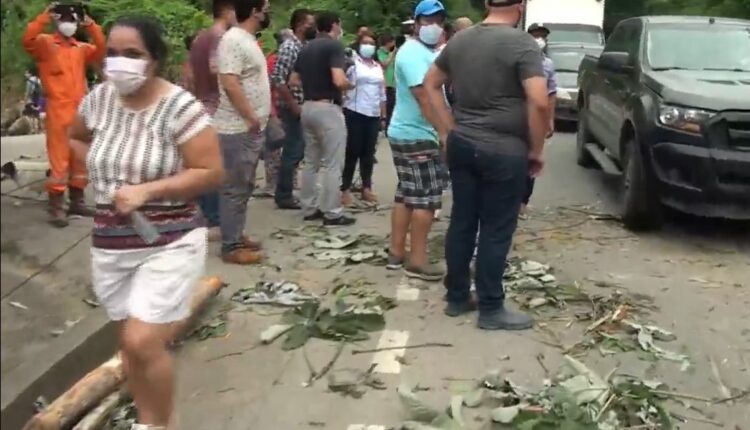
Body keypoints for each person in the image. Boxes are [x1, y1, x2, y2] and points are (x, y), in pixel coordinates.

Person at [67, 16, 223, 429]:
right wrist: (102, 175)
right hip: (111, 242)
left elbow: (209, 171)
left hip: (170, 239)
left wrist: (147, 191)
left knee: (143, 340)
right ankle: (148, 418)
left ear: (154, 60)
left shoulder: (179, 107)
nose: (120, 63)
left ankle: (159, 423)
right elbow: (77, 137)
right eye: (112, 54)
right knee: (129, 346)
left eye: (132, 54)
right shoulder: (98, 100)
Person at [423, 0, 549, 330]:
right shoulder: (522, 43)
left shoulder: (461, 39)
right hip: (503, 149)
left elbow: (430, 83)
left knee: (462, 220)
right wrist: (536, 150)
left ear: (485, 3)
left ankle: (457, 297)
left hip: (463, 143)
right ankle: (492, 308)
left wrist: (448, 127)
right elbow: (538, 99)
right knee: (496, 229)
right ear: (521, 5)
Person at [23, 3, 105, 227]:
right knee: (59, 159)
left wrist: (90, 25)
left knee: (80, 157)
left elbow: (102, 48)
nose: (69, 24)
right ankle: (56, 206)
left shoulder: (81, 48)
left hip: (80, 109)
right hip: (58, 109)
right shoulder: (45, 43)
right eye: (65, 20)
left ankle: (77, 200)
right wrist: (44, 17)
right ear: (57, 21)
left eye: (73, 20)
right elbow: (27, 40)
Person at [386, 0, 448, 282]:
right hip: (418, 134)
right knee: (426, 199)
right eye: (427, 20)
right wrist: (443, 131)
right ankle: (418, 260)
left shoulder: (423, 52)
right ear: (416, 23)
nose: (432, 26)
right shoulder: (412, 52)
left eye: (438, 20)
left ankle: (396, 252)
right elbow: (423, 96)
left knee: (406, 195)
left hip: (407, 132)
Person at [214, 0, 272, 264]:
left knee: (245, 184)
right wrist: (250, 116)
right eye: (266, 7)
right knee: (235, 186)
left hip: (249, 126)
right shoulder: (233, 40)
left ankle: (236, 233)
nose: (268, 12)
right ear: (255, 10)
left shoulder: (246, 39)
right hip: (237, 127)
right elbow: (230, 81)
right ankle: (231, 245)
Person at [290, 11, 356, 226]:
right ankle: (332, 211)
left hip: (307, 106)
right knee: (333, 162)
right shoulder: (334, 46)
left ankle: (308, 207)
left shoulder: (306, 47)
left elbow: (293, 80)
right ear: (335, 25)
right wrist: (350, 84)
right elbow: (338, 79)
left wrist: (313, 83)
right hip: (328, 108)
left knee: (311, 161)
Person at [189, 0, 237, 241]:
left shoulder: (200, 37)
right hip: (216, 107)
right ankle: (213, 219)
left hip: (200, 104)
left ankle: (202, 216)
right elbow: (215, 68)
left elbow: (188, 73)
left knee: (202, 165)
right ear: (227, 11)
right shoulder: (221, 37)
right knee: (216, 167)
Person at [271, 8, 317, 210]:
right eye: (310, 23)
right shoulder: (290, 47)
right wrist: (293, 105)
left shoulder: (304, 46)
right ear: (299, 25)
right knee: (292, 150)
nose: (313, 27)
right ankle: (283, 195)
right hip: (292, 107)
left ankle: (286, 191)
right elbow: (279, 80)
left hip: (301, 105)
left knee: (298, 150)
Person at [341, 32, 387, 206]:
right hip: (355, 110)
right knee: (352, 151)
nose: (369, 46)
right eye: (365, 43)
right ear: (359, 45)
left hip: (373, 113)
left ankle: (366, 187)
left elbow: (382, 93)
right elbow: (344, 84)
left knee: (368, 153)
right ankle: (344, 188)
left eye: (372, 43)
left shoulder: (377, 67)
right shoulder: (353, 64)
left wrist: (383, 115)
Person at [522, 23, 557, 216]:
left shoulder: (548, 65)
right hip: (518, 117)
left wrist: (550, 119)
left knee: (533, 159)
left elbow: (551, 94)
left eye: (542, 36)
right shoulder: (518, 59)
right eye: (535, 35)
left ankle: (523, 201)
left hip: (538, 118)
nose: (539, 39)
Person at [258, 28, 294, 198]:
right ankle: (273, 184)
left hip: (283, 106)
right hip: (274, 106)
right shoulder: (272, 60)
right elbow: (268, 86)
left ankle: (287, 181)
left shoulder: (280, 57)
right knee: (273, 147)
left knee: (287, 146)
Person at [377, 33, 397, 131]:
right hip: (385, 83)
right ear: (388, 42)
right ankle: (385, 127)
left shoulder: (393, 52)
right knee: (387, 107)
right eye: (393, 42)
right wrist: (392, 54)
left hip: (394, 84)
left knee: (393, 106)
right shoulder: (380, 52)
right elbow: (384, 64)